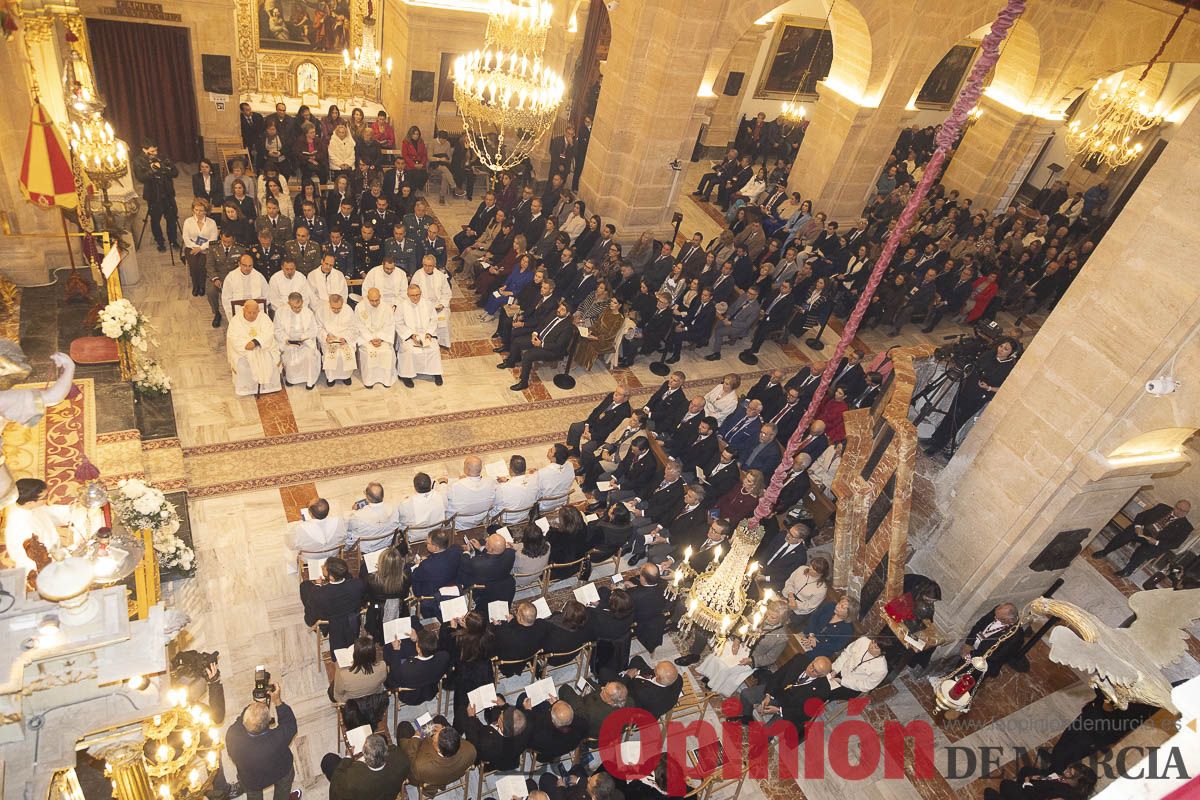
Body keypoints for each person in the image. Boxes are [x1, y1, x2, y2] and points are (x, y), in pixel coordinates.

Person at [924, 337, 1020, 455]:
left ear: (1011, 353)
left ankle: (938, 445)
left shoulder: (1008, 368)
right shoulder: (990, 354)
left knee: (957, 421)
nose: (1001, 350)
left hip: (977, 398)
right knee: (950, 414)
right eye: (1001, 346)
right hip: (966, 389)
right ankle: (934, 438)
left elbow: (1005, 389)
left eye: (1006, 349)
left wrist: (988, 388)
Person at [698, 599, 790, 696]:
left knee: (727, 667)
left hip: (753, 657)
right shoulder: (759, 615)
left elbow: (770, 658)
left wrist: (751, 660)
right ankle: (710, 676)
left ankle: (714, 685)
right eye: (768, 614)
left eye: (773, 617)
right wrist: (737, 641)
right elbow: (742, 627)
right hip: (741, 645)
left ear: (782, 619)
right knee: (718, 654)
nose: (768, 618)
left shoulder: (782, 638)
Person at [225, 684, 301, 800]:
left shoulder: (232, 737)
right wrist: (277, 700)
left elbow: (240, 720)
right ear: (269, 722)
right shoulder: (278, 738)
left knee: (253, 795)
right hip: (281, 772)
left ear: (244, 723)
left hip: (252, 781)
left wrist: (254, 706)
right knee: (283, 789)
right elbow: (289, 723)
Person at [1096, 499, 1193, 577]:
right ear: (1175, 506)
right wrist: (1138, 527)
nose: (1179, 512)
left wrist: (1156, 542)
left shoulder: (1186, 527)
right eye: (1178, 508)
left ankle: (1127, 571)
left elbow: (1175, 544)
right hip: (1143, 531)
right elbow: (1141, 516)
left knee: (1143, 552)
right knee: (1127, 533)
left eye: (1183, 511)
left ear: (1187, 512)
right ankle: (1105, 551)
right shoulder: (1162, 507)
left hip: (1156, 543)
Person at [3, 478, 78, 575]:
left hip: (53, 548)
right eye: (45, 497)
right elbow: (34, 561)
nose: (48, 498)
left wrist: (73, 510)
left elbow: (47, 513)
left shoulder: (25, 506)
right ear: (30, 502)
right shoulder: (23, 530)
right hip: (45, 565)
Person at [505, 299, 575, 391]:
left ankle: (523, 382)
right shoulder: (554, 313)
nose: (559, 310)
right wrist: (535, 333)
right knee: (517, 341)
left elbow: (559, 345)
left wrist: (541, 344)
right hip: (539, 339)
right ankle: (511, 362)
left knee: (528, 356)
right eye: (559, 307)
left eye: (562, 310)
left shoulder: (568, 327)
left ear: (568, 313)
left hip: (551, 350)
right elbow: (542, 325)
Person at [300, 556, 365, 649]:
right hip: (350, 615)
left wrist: (318, 584)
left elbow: (313, 605)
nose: (322, 567)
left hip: (328, 621)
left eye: (324, 568)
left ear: (331, 577)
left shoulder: (319, 594)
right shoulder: (358, 584)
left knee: (305, 586)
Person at [321, 733, 409, 800]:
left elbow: (335, 788)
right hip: (388, 794)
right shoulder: (402, 760)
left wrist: (347, 757)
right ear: (386, 751)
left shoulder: (350, 780)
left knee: (329, 760)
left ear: (365, 756)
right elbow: (393, 749)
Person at [132, 138, 179, 252]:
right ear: (144, 150)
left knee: (172, 218)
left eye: (156, 150)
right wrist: (152, 170)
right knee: (155, 220)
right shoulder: (138, 161)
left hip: (168, 193)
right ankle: (160, 241)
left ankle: (173, 240)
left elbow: (175, 173)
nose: (155, 153)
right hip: (153, 195)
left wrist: (165, 168)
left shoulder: (162, 157)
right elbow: (141, 178)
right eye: (152, 151)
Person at [226, 300, 281, 396]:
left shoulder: (263, 318)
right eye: (249, 312)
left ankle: (269, 387)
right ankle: (247, 389)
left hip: (263, 348)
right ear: (244, 310)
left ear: (258, 311)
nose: (252, 315)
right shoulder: (236, 321)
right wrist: (247, 345)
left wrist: (256, 342)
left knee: (271, 363)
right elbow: (233, 339)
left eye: (254, 313)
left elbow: (269, 333)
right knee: (243, 367)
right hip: (244, 351)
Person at [398, 721, 476, 788]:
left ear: (438, 748)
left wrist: (416, 737)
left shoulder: (421, 766)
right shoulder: (471, 750)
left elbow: (410, 756)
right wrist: (444, 729)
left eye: (434, 737)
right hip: (453, 772)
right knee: (439, 718)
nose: (433, 735)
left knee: (404, 726)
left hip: (426, 777)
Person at [396, 284, 445, 387]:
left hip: (426, 333)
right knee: (409, 350)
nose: (415, 297)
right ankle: (406, 375)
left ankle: (436, 372)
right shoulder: (402, 306)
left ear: (421, 293)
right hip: (409, 335)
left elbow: (434, 319)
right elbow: (398, 323)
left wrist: (429, 333)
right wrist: (411, 335)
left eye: (418, 295)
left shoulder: (428, 304)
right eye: (412, 295)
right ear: (408, 295)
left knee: (434, 348)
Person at [959, 603, 1025, 678]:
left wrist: (972, 653)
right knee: (957, 672)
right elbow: (979, 624)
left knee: (965, 681)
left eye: (999, 618)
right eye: (995, 615)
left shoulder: (1017, 636)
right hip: (969, 649)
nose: (995, 618)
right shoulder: (998, 611)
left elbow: (998, 657)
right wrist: (968, 644)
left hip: (982, 664)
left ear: (1009, 620)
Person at [274, 292, 320, 390]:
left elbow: (314, 330)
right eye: (294, 307)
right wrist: (286, 339)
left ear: (302, 302)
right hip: (288, 342)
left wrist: (304, 337)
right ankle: (291, 379)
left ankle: (309, 380)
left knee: (309, 357)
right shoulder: (280, 312)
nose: (297, 310)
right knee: (289, 358)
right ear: (289, 303)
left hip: (305, 342)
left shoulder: (308, 312)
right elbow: (277, 330)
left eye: (299, 307)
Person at [355, 288, 397, 389]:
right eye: (372, 300)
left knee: (386, 351)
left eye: (377, 300)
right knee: (370, 351)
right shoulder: (360, 307)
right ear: (367, 298)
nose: (374, 303)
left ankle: (385, 380)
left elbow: (390, 325)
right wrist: (371, 338)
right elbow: (358, 325)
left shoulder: (386, 308)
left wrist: (381, 338)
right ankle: (369, 380)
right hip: (367, 338)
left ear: (380, 297)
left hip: (383, 338)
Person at [982, 764, 1097, 800]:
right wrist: (1043, 778)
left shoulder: (1062, 795)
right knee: (1026, 770)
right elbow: (1053, 779)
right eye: (1068, 769)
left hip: (1033, 796)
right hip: (1043, 787)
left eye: (1069, 773)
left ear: (1077, 781)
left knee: (1005, 785)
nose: (1065, 771)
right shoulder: (1069, 783)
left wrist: (1027, 783)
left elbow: (1037, 797)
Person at [330, 634, 388, 703]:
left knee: (331, 690)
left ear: (355, 655)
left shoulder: (343, 673)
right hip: (374, 700)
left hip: (353, 704)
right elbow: (382, 682)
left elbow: (338, 694)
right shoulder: (382, 666)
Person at [316, 294, 359, 386]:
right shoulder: (321, 310)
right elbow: (318, 327)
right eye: (333, 308)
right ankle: (331, 378)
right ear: (329, 303)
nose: (336, 310)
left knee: (346, 354)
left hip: (344, 339)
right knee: (330, 354)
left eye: (339, 308)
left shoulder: (348, 310)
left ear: (342, 303)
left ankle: (346, 376)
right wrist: (326, 336)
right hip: (329, 339)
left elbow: (354, 328)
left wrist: (346, 338)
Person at [411, 255, 453, 348]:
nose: (427, 268)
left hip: (438, 304)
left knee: (443, 320)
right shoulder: (417, 275)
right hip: (422, 305)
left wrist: (442, 304)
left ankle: (443, 342)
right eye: (425, 265)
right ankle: (426, 340)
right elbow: (412, 293)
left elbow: (446, 292)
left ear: (434, 265)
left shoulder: (440, 275)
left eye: (430, 266)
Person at [182, 199, 220, 299]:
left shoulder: (212, 222)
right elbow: (185, 237)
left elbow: (213, 239)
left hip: (207, 248)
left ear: (206, 211)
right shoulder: (188, 221)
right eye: (196, 210)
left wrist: (200, 248)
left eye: (201, 210)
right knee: (194, 265)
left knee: (202, 264)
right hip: (191, 247)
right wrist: (194, 247)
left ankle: (202, 286)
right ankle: (196, 285)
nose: (198, 213)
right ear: (193, 210)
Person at [447, 456, 497, 530]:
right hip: (481, 517)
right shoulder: (491, 482)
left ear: (467, 469)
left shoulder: (455, 486)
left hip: (459, 522)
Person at [345, 482, 397, 552]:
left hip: (367, 549)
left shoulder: (358, 516)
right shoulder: (393, 509)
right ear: (383, 496)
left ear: (368, 497)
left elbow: (347, 527)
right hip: (387, 543)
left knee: (348, 533)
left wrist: (353, 511)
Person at [220, 254, 269, 322]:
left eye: (250, 266)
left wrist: (256, 306)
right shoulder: (231, 277)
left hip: (256, 305)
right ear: (239, 264)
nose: (247, 268)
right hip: (238, 307)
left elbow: (267, 295)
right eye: (244, 265)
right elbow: (226, 298)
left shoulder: (258, 276)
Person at [536, 443, 576, 512]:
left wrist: (534, 475)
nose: (548, 450)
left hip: (545, 506)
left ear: (554, 458)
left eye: (551, 450)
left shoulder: (543, 473)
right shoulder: (570, 465)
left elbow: (536, 490)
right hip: (562, 501)